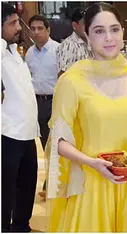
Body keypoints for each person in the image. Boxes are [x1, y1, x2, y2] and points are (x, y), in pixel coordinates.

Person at [45, 3, 127, 232]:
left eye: (114, 29)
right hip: (92, 181)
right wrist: (92, 163)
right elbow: (60, 141)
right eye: (99, 31)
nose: (109, 38)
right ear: (86, 34)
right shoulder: (72, 79)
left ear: (123, 32)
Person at [2, 2, 39, 232]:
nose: (18, 27)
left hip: (26, 133)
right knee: (5, 192)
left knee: (27, 186)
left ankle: (21, 226)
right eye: (12, 23)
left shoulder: (14, 51)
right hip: (6, 134)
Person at [25, 14, 60, 200]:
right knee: (41, 142)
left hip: (54, 101)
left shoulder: (58, 50)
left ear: (48, 30)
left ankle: (52, 184)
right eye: (33, 29)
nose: (36, 32)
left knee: (53, 143)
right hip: (35, 102)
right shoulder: (29, 53)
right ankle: (50, 182)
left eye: (40, 28)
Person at [56, 8, 92, 77]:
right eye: (85, 23)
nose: (89, 27)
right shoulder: (68, 45)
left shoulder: (92, 42)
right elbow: (63, 77)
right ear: (75, 26)